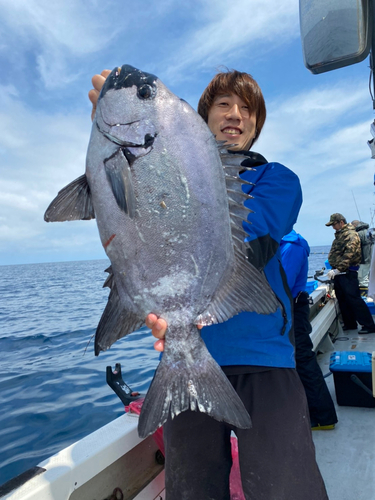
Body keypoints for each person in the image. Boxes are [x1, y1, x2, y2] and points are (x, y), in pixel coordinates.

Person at [90, 69, 328, 499]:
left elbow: (251, 239)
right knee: (192, 490)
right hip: (185, 366)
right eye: (223, 105)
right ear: (200, 117)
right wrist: (120, 135)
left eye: (247, 109)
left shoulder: (278, 179)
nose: (235, 114)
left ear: (256, 124)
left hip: (265, 362)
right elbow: (130, 225)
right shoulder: (160, 168)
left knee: (288, 488)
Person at [280, 230, 338, 430]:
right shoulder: (280, 242)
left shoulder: (291, 245)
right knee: (297, 359)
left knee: (303, 359)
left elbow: (282, 285)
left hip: (293, 308)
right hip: (288, 308)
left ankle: (323, 416)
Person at [326, 213, 375, 334]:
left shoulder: (351, 235)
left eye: (334, 224)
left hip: (347, 273)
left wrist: (339, 269)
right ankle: (350, 323)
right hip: (339, 274)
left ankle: (369, 325)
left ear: (341, 222)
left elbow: (350, 253)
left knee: (354, 299)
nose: (333, 227)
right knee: (342, 299)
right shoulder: (340, 235)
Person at [351, 220, 374, 288]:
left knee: (362, 280)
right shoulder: (370, 232)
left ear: (354, 225)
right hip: (372, 259)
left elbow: (354, 248)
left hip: (364, 260)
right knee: (370, 277)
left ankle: (366, 295)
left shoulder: (358, 234)